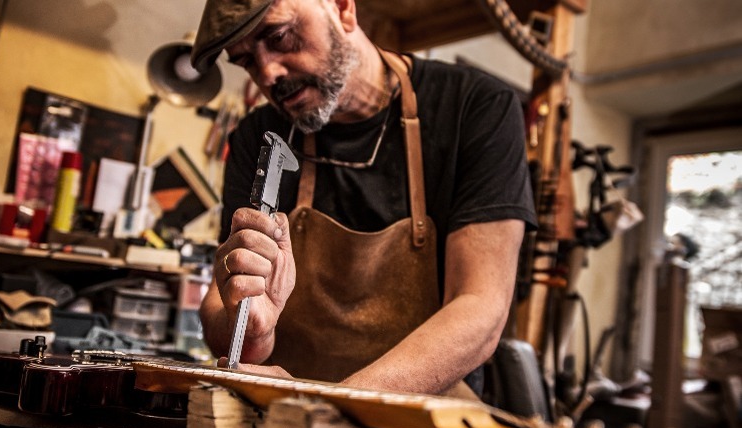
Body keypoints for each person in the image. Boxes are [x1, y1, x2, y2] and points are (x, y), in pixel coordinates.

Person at [190, 0, 537, 398]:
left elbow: (481, 308)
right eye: (247, 61)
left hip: (418, 413)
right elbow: (225, 308)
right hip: (286, 410)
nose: (268, 72)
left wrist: (331, 404)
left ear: (342, 8)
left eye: (279, 36)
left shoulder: (475, 107)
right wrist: (251, 329)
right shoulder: (261, 136)